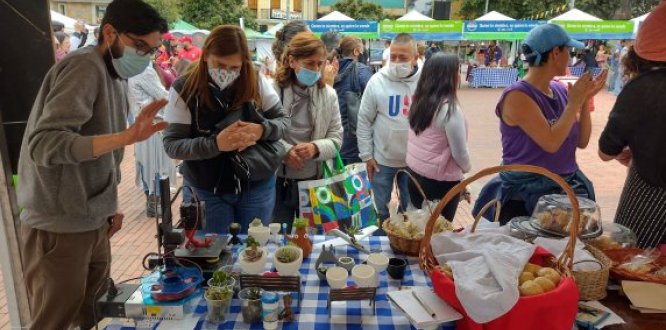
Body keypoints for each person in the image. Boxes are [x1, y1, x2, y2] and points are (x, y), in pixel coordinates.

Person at [17, 1, 168, 329]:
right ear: (110, 32)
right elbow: (44, 144)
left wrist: (107, 206)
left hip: (90, 220)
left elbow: (99, 152)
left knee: (94, 314)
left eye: (152, 49)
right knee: (55, 319)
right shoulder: (85, 67)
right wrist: (124, 138)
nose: (145, 56)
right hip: (59, 225)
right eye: (139, 45)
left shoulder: (114, 73)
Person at [472, 24, 607, 224]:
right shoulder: (518, 96)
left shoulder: (559, 89)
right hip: (525, 199)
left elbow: (582, 141)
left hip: (563, 191)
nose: (571, 57)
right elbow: (551, 143)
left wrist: (584, 101)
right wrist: (574, 103)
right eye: (568, 51)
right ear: (555, 53)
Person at [163, 25, 288, 233]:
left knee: (255, 252)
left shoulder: (254, 78)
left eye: (234, 68)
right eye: (219, 65)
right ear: (205, 57)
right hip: (206, 189)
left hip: (256, 184)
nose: (226, 73)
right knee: (211, 256)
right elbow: (172, 145)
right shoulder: (185, 87)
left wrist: (260, 130)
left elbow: (283, 122)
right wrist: (216, 144)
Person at [598, 1, 666, 248]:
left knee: (635, 269)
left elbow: (606, 151)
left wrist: (638, 149)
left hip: (649, 197)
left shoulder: (640, 90)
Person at [271, 32, 342, 231]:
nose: (316, 69)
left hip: (316, 182)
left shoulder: (329, 95)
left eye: (320, 63)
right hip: (279, 181)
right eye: (310, 63)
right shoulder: (272, 92)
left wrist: (315, 148)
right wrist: (285, 152)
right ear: (292, 61)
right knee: (279, 234)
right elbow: (262, 134)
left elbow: (336, 138)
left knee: (314, 238)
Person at [357, 33, 422, 222]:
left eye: (403, 57)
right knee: (382, 210)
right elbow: (364, 121)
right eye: (393, 57)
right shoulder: (376, 81)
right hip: (382, 160)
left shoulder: (425, 82)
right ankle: (382, 242)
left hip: (413, 161)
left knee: (409, 211)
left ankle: (403, 245)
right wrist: (367, 156)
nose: (396, 62)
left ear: (415, 58)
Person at [406, 53, 471, 221]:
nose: (459, 75)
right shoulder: (450, 110)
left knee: (418, 228)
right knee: (438, 233)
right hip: (439, 184)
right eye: (457, 71)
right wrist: (467, 168)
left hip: (414, 175)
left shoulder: (420, 102)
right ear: (449, 76)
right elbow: (460, 154)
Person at [128, 61, 176, 216]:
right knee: (156, 164)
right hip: (154, 125)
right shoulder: (144, 71)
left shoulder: (131, 71)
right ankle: (157, 203)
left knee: (146, 163)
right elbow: (164, 96)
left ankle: (153, 203)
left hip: (142, 125)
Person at [333, 35, 373, 165]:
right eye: (362, 50)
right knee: (355, 184)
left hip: (332, 141)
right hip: (354, 143)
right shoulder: (362, 71)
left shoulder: (329, 69)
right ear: (356, 51)